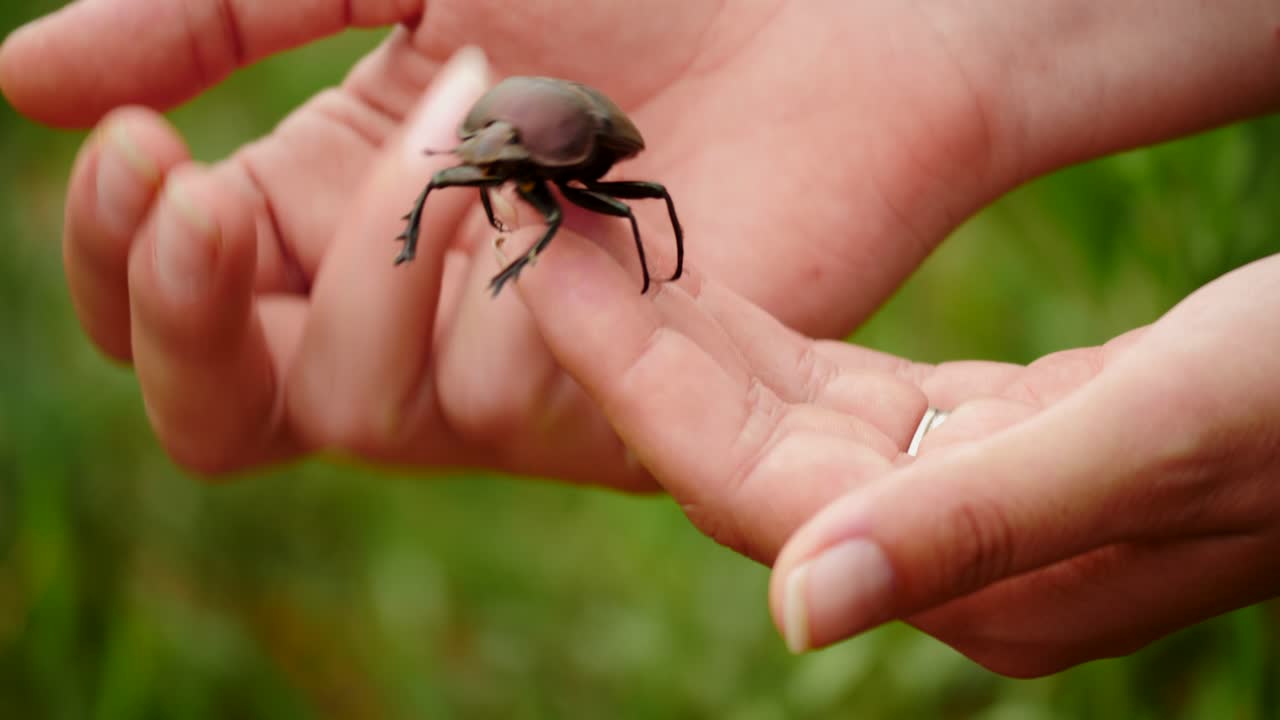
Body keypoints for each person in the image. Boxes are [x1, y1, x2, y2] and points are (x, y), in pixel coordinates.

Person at [2, 0, 1278, 677]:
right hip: (550, 116)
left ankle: (625, 266)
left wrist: (620, 256)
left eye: (502, 168)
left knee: (589, 221)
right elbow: (466, 159)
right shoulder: (491, 143)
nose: (481, 176)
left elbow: (559, 177)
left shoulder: (583, 170)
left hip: (588, 138)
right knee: (460, 191)